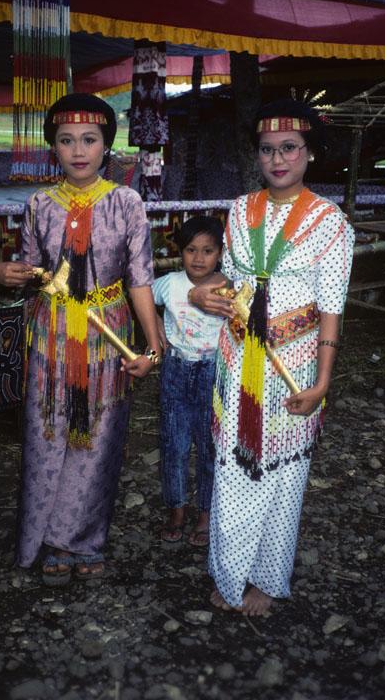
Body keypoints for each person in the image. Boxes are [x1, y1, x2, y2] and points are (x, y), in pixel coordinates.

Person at [189, 99, 355, 616]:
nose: (278, 159)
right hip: (238, 358)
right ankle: (228, 569)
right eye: (267, 150)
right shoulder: (240, 210)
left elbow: (331, 311)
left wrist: (322, 381)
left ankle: (266, 578)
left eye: (289, 148)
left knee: (283, 474)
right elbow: (229, 281)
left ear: (310, 154)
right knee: (233, 464)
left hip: (296, 361)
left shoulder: (331, 223)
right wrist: (201, 294)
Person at [0, 93, 161, 586]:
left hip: (108, 336)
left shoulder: (127, 202)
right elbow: (28, 271)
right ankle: (44, 539)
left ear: (107, 145)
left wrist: (151, 348)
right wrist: (3, 271)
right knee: (49, 434)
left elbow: (140, 280)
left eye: (90, 139)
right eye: (66, 141)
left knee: (99, 437)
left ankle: (82, 539)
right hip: (52, 335)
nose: (78, 150)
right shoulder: (40, 204)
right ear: (54, 149)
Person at [152, 216, 225, 547]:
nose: (199, 258)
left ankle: (206, 514)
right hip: (175, 372)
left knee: (212, 448)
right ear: (179, 252)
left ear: (221, 253)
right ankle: (177, 510)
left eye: (208, 250)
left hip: (214, 374)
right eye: (191, 250)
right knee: (174, 445)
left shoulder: (230, 287)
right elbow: (138, 296)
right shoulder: (169, 283)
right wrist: (153, 327)